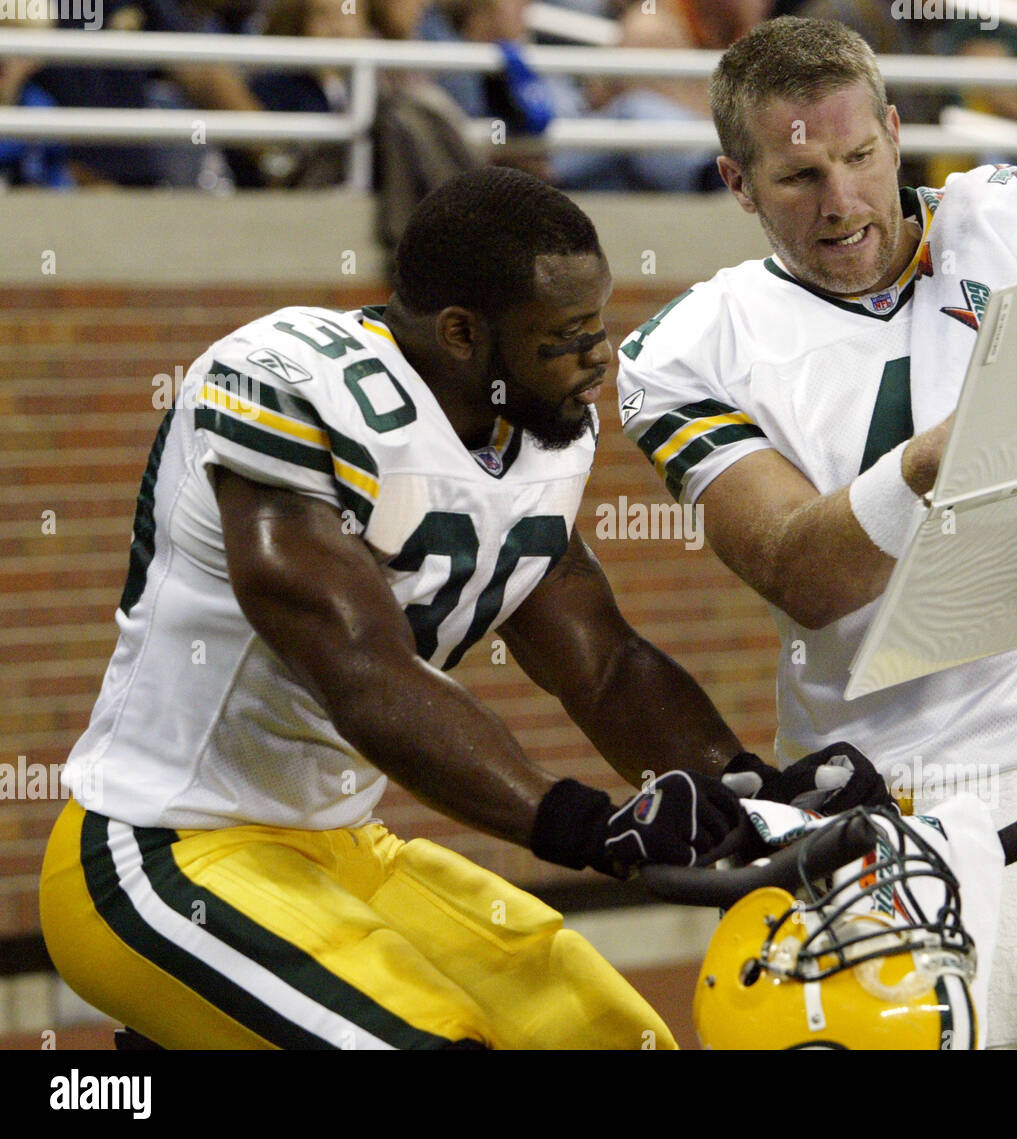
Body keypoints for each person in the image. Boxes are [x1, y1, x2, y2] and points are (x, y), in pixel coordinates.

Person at [39, 167, 879, 1050]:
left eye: (598, 323)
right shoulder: (285, 383)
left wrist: (750, 792)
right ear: (461, 334)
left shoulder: (533, 434)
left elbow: (603, 665)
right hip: (163, 847)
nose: (601, 354)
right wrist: (584, 824)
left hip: (342, 851)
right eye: (568, 334)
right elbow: (363, 672)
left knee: (609, 1035)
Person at [616, 17, 1017, 1050]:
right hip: (871, 811)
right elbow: (794, 569)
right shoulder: (688, 349)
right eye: (799, 174)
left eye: (859, 157)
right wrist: (938, 457)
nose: (842, 200)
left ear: (896, 133)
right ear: (736, 183)